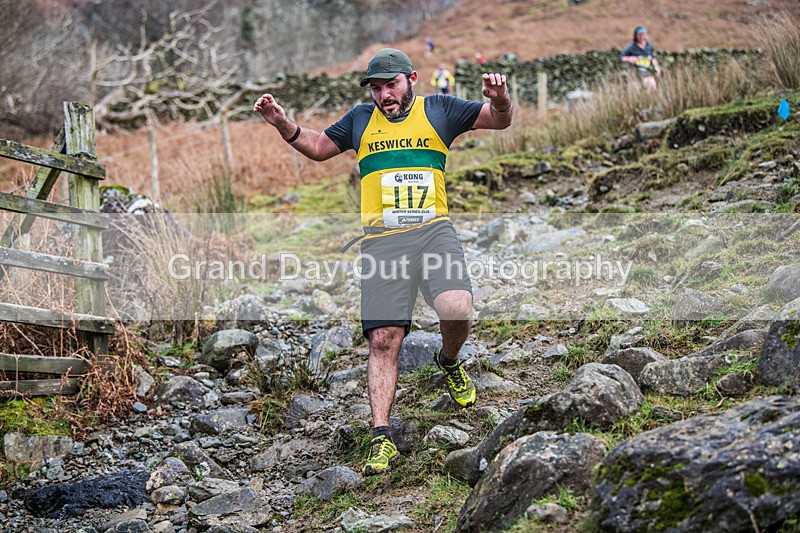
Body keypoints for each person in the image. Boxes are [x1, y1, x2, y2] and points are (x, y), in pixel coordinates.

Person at [254, 48, 513, 475]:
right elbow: (318, 147)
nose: (384, 95)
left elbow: (499, 120)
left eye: (391, 85)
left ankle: (448, 360)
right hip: (382, 243)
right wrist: (282, 122)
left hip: (433, 232)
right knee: (382, 339)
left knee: (457, 306)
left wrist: (501, 99)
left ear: (412, 78)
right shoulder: (360, 119)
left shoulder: (440, 109)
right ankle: (381, 437)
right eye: (376, 88)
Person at [620, 26, 662, 91]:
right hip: (634, 74)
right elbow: (621, 58)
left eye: (643, 34)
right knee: (634, 93)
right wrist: (629, 58)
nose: (641, 36)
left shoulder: (649, 46)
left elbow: (653, 58)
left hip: (647, 73)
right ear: (636, 36)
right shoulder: (631, 47)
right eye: (639, 35)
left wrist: (656, 67)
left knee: (652, 89)